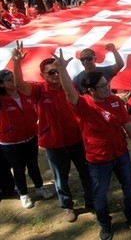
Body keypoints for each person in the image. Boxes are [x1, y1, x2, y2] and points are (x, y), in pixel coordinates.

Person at [53, 49, 131, 240]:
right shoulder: (82, 105)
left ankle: (130, 215)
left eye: (107, 84)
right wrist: (62, 71)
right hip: (98, 159)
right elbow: (69, 93)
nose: (107, 89)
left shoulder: (115, 101)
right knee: (100, 195)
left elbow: (129, 126)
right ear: (91, 90)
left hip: (121, 154)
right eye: (102, 86)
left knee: (129, 189)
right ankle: (104, 224)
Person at [12, 41, 93, 223]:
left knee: (85, 172)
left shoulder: (68, 86)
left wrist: (63, 70)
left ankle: (91, 200)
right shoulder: (39, 91)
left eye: (57, 71)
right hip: (53, 143)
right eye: (51, 72)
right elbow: (19, 85)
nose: (56, 74)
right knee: (60, 178)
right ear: (43, 75)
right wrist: (16, 62)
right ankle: (67, 207)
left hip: (76, 139)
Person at [0, 69, 55, 209]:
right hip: (10, 142)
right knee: (18, 169)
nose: (13, 81)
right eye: (8, 80)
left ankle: (39, 187)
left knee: (33, 165)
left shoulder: (25, 92)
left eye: (13, 77)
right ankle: (23, 194)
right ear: (1, 85)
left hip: (30, 137)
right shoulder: (1, 99)